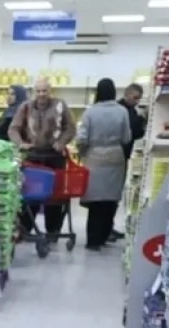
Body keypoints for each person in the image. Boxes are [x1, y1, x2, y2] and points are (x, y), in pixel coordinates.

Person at [8, 78, 76, 244]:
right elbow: (13, 129)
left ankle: (52, 232)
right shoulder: (25, 107)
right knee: (31, 196)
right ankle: (26, 230)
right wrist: (20, 144)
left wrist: (61, 143)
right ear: (34, 92)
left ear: (50, 91)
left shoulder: (60, 105)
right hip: (33, 158)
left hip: (55, 158)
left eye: (44, 91)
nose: (41, 94)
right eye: (38, 91)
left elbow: (70, 128)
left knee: (55, 198)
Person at [75, 78, 133, 251]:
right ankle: (105, 236)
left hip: (95, 157)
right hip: (115, 156)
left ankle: (93, 241)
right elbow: (127, 137)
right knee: (110, 200)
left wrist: (83, 152)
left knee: (95, 202)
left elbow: (82, 139)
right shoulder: (122, 111)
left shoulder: (90, 112)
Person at [111, 83, 147, 242]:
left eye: (139, 98)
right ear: (127, 95)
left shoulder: (130, 110)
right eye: (135, 97)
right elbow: (132, 132)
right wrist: (142, 120)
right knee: (111, 194)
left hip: (122, 156)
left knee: (115, 194)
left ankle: (108, 227)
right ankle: (106, 229)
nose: (137, 101)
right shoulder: (121, 111)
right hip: (117, 156)